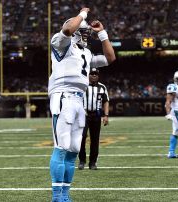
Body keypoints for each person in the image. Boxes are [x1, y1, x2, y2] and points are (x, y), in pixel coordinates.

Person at [48, 7, 115, 202]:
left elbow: (110, 58)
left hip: (79, 100)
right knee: (61, 147)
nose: (86, 36)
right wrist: (83, 14)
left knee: (73, 150)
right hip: (63, 96)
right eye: (83, 31)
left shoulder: (85, 53)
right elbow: (68, 30)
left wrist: (102, 33)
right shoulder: (60, 43)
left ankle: (65, 195)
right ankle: (56, 196)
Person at [78, 67, 109, 170]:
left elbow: (105, 101)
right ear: (88, 74)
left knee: (95, 140)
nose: (94, 75)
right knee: (81, 138)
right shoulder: (82, 86)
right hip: (84, 115)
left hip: (96, 115)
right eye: (92, 73)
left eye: (96, 74)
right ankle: (82, 160)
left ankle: (93, 162)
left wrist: (106, 115)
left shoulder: (102, 87)